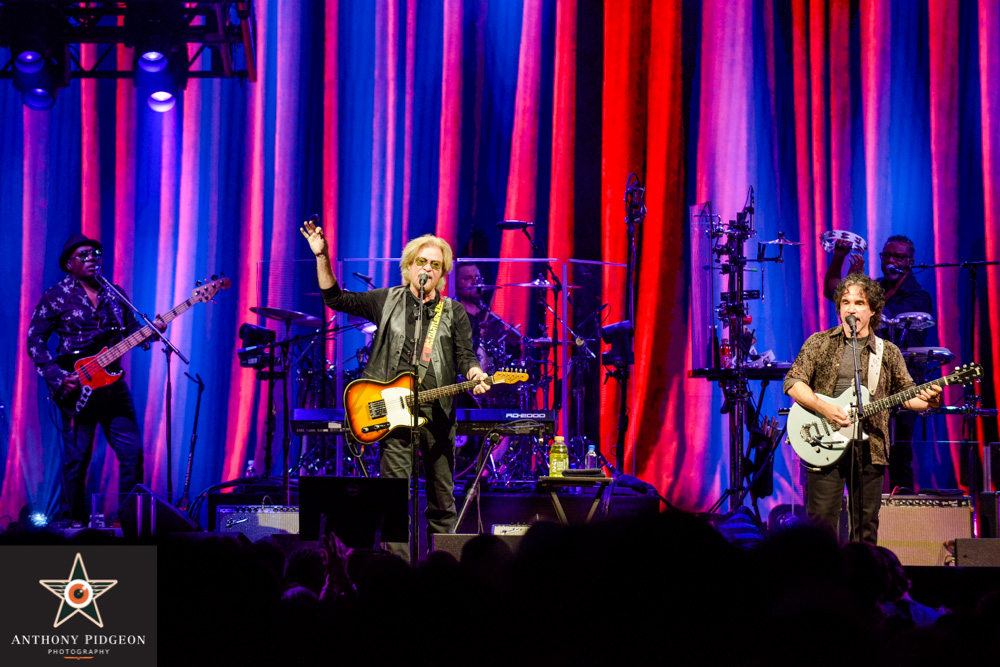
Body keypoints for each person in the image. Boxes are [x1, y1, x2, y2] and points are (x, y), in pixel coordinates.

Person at [301, 221, 489, 559]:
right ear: (409, 267)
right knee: (395, 502)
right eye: (421, 262)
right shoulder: (387, 300)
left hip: (438, 415)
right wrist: (322, 257)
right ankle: (396, 575)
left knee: (442, 503)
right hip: (393, 414)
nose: (427, 269)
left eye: (435, 264)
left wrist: (475, 372)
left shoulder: (453, 311)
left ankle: (442, 572)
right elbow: (336, 298)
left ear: (442, 273)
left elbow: (465, 355)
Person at [784, 273, 942, 544]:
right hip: (823, 442)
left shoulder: (887, 351)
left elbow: (907, 395)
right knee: (821, 526)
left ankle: (862, 571)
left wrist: (929, 401)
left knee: (865, 528)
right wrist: (824, 408)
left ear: (873, 310)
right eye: (845, 302)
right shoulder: (819, 342)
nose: (851, 308)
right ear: (838, 308)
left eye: (859, 302)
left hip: (871, 448)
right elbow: (793, 382)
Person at [26, 234, 162, 523]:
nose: (92, 258)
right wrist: (59, 377)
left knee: (133, 455)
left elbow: (132, 332)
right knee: (76, 462)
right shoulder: (56, 296)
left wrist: (151, 331)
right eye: (84, 254)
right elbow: (34, 340)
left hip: (113, 389)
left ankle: (128, 522)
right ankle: (73, 524)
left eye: (96, 253)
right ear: (69, 264)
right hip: (77, 389)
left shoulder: (115, 294)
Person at [824, 235, 934, 491]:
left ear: (910, 262)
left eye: (899, 257)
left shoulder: (918, 296)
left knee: (899, 456)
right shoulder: (875, 287)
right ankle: (862, 509)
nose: (891, 261)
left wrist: (857, 286)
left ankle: (902, 509)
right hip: (866, 381)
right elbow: (832, 291)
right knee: (861, 452)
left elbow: (885, 319)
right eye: (887, 256)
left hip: (901, 382)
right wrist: (839, 257)